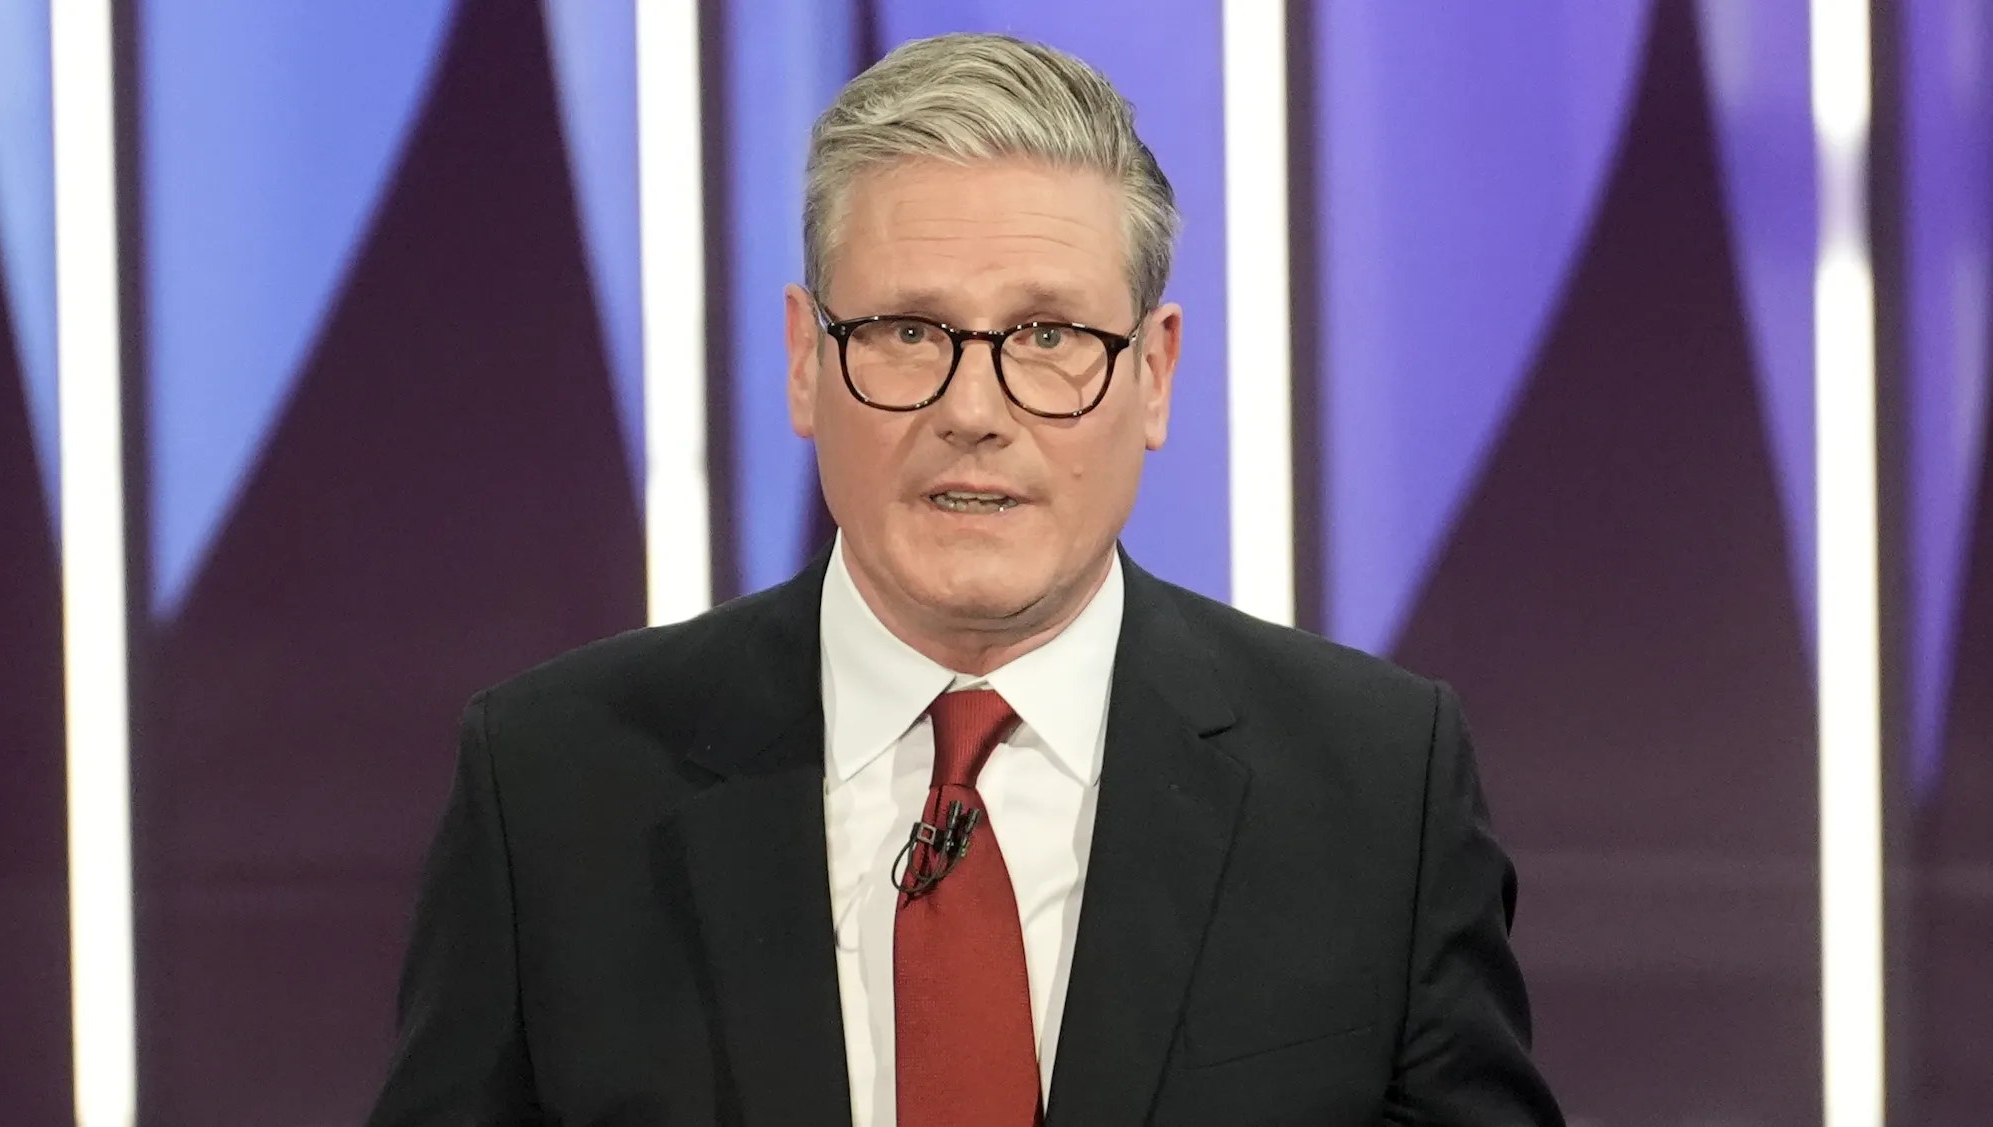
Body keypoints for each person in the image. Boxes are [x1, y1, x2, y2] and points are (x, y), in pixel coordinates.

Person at [366, 32, 1562, 1127]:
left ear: (1153, 373)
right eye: (906, 332)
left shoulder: (1376, 788)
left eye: (1048, 336)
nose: (973, 410)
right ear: (803, 361)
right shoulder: (553, 784)